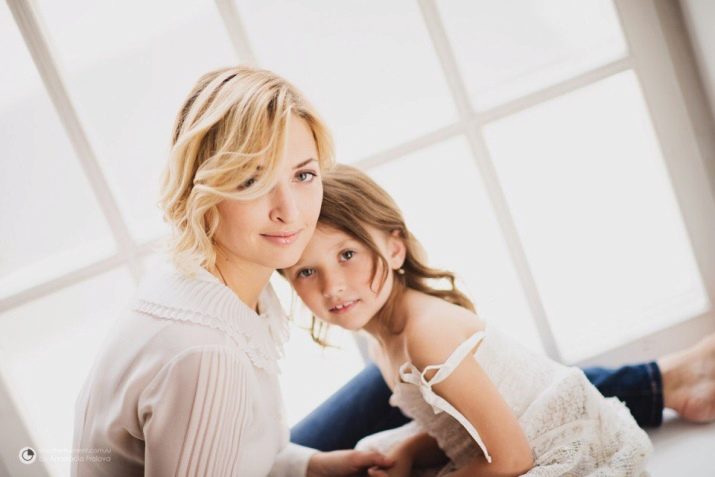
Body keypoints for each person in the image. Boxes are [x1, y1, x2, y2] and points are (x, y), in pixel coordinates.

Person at [71, 67, 394, 476]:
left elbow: (242, 456)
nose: (290, 211)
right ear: (202, 188)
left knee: (398, 381)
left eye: (303, 175)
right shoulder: (208, 356)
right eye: (251, 181)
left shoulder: (203, 273)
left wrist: (316, 467)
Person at [283, 164, 655, 476]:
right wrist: (409, 451)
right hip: (505, 449)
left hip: (557, 455)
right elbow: (459, 428)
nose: (332, 286)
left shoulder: (427, 334)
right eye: (306, 272)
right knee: (375, 450)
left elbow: (514, 459)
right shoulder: (382, 345)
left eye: (347, 254)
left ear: (395, 249)